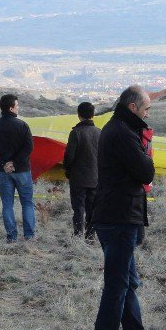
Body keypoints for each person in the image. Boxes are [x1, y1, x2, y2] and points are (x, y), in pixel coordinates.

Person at [90, 86, 155, 330]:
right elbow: (146, 171)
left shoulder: (118, 128)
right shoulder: (123, 133)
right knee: (118, 284)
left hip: (116, 214)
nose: (148, 113)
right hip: (120, 217)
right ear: (133, 108)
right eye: (146, 108)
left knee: (127, 282)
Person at [0, 94, 35, 242]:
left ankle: (11, 236)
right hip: (22, 171)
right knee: (27, 203)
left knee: (7, 204)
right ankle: (29, 236)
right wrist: (16, 163)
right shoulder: (22, 125)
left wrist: (3, 164)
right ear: (11, 108)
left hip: (3, 172)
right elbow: (28, 148)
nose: (18, 108)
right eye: (17, 105)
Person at [63, 102, 101, 240]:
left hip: (78, 178)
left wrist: (67, 170)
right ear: (93, 115)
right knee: (92, 209)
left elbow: (69, 156)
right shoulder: (100, 132)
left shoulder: (76, 133)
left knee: (78, 208)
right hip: (96, 178)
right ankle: (90, 237)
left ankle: (78, 235)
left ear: (78, 115)